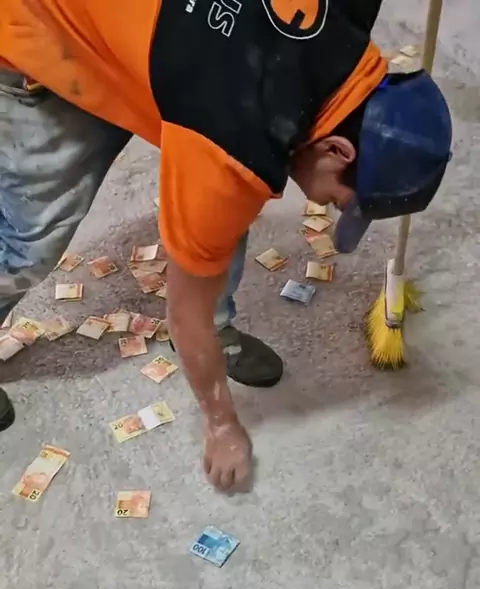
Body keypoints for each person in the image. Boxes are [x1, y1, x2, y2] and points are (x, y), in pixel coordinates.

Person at [0, 0, 452, 491]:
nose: (331, 206)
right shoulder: (232, 148)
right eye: (343, 201)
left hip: (165, 49)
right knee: (28, 245)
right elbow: (184, 313)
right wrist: (221, 424)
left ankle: (217, 331)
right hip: (47, 32)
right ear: (337, 150)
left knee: (227, 201)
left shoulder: (350, 13)